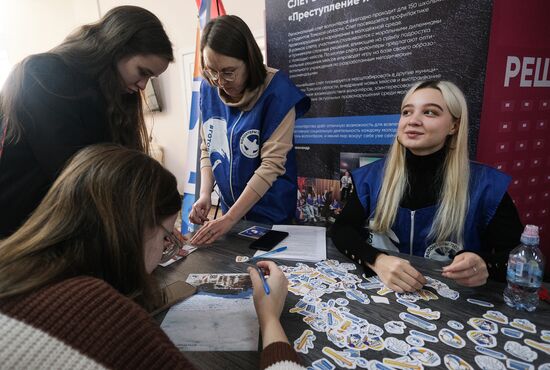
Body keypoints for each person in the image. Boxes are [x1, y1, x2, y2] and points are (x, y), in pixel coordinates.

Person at [0, 144, 304, 369]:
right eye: (165, 235)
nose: (167, 247)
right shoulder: (100, 314)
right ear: (128, 232)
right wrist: (269, 318)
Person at [331, 80, 523, 293]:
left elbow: (521, 257)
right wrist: (377, 260)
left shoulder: (486, 186)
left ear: (454, 125)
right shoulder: (371, 177)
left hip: (457, 309)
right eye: (406, 112)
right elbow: (341, 230)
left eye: (430, 112)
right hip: (385, 300)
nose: (413, 120)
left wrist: (485, 264)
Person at [0, 6, 174, 237]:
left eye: (150, 77)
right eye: (142, 72)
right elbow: (74, 172)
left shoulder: (114, 92)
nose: (143, 85)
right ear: (117, 46)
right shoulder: (42, 73)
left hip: (65, 223)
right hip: (22, 224)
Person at [189, 15, 310, 245]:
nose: (220, 81)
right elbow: (209, 147)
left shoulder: (277, 91)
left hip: (270, 215)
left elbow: (271, 165)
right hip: (229, 214)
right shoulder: (208, 89)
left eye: (228, 71)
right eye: (211, 71)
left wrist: (229, 218)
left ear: (249, 60)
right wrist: (205, 194)